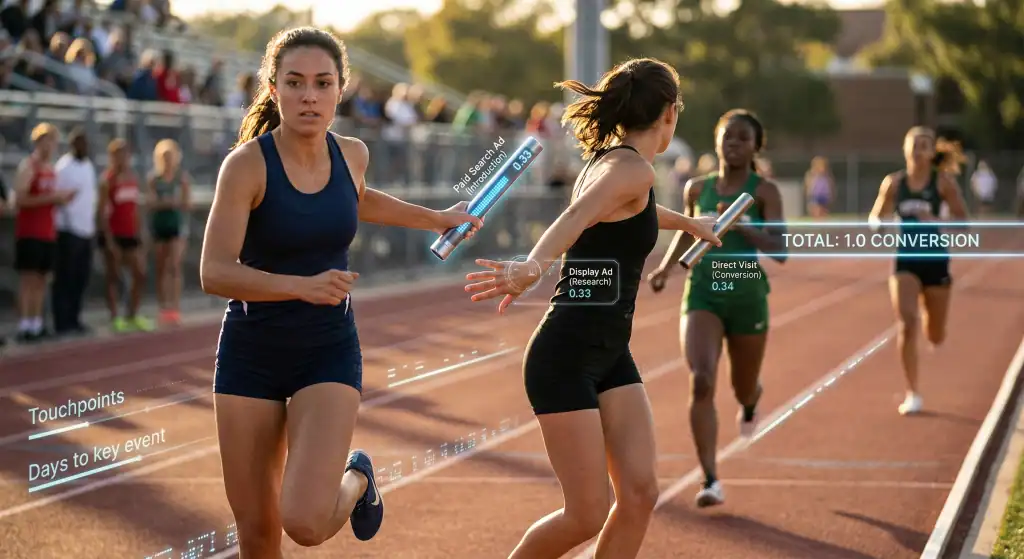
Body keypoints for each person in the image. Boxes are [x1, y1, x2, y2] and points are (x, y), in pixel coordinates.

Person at [198, 26, 482, 555]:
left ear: (340, 88)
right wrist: (299, 287)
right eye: (296, 82)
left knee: (304, 523)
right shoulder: (245, 167)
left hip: (325, 350)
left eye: (323, 83)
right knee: (257, 536)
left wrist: (437, 218)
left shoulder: (351, 154)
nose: (310, 95)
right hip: (251, 351)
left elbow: (360, 200)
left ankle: (358, 478)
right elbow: (214, 272)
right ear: (273, 87)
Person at [463, 58, 720, 559]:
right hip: (565, 355)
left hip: (608, 353)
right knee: (586, 513)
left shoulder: (620, 168)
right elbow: (578, 215)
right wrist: (532, 266)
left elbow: (629, 210)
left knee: (640, 492)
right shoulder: (633, 170)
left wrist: (689, 223)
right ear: (670, 113)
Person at [644, 109, 787, 508]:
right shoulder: (696, 188)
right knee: (702, 379)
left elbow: (782, 250)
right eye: (727, 136)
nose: (734, 144)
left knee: (743, 385)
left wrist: (741, 226)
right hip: (704, 292)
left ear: (755, 146)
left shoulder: (765, 192)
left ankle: (751, 401)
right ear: (716, 140)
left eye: (743, 138)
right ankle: (710, 478)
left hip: (746, 297)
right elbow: (688, 231)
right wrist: (665, 268)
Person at [868, 127, 968, 416]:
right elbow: (877, 213)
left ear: (932, 151)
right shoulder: (895, 183)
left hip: (936, 261)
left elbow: (963, 222)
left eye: (925, 145)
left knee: (935, 335)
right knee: (906, 323)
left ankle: (930, 321)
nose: (919, 149)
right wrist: (879, 224)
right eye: (914, 144)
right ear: (905, 149)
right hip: (906, 260)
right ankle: (912, 392)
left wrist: (934, 218)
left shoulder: (943, 183)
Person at [13, 122, 75, 342]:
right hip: (30, 232)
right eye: (47, 140)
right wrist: (53, 198)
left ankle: (36, 323)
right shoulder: (29, 166)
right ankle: (24, 326)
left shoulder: (51, 169)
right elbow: (20, 199)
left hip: (47, 232)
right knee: (28, 279)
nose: (51, 145)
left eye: (54, 141)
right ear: (38, 141)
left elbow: (51, 199)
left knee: (41, 279)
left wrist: (62, 198)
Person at [97, 138, 152, 333]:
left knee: (140, 273)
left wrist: (141, 231)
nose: (123, 158)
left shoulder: (133, 178)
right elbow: (102, 212)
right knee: (113, 275)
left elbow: (135, 209)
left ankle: (132, 314)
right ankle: (114, 316)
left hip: (131, 234)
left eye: (126, 154)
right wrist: (109, 241)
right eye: (118, 154)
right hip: (114, 234)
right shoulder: (107, 180)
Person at [52, 127, 98, 336]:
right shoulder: (63, 167)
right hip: (69, 230)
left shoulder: (88, 165)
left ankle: (75, 318)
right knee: (65, 278)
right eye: (80, 143)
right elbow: (59, 197)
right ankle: (62, 321)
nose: (84, 147)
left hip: (86, 230)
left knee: (81, 277)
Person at [147, 138, 190, 326]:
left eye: (170, 156)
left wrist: (170, 203)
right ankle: (163, 306)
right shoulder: (154, 179)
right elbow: (151, 203)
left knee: (174, 265)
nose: (167, 160)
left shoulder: (181, 179)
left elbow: (187, 203)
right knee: (161, 267)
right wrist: (168, 203)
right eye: (164, 157)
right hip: (159, 226)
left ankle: (175, 306)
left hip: (176, 226)